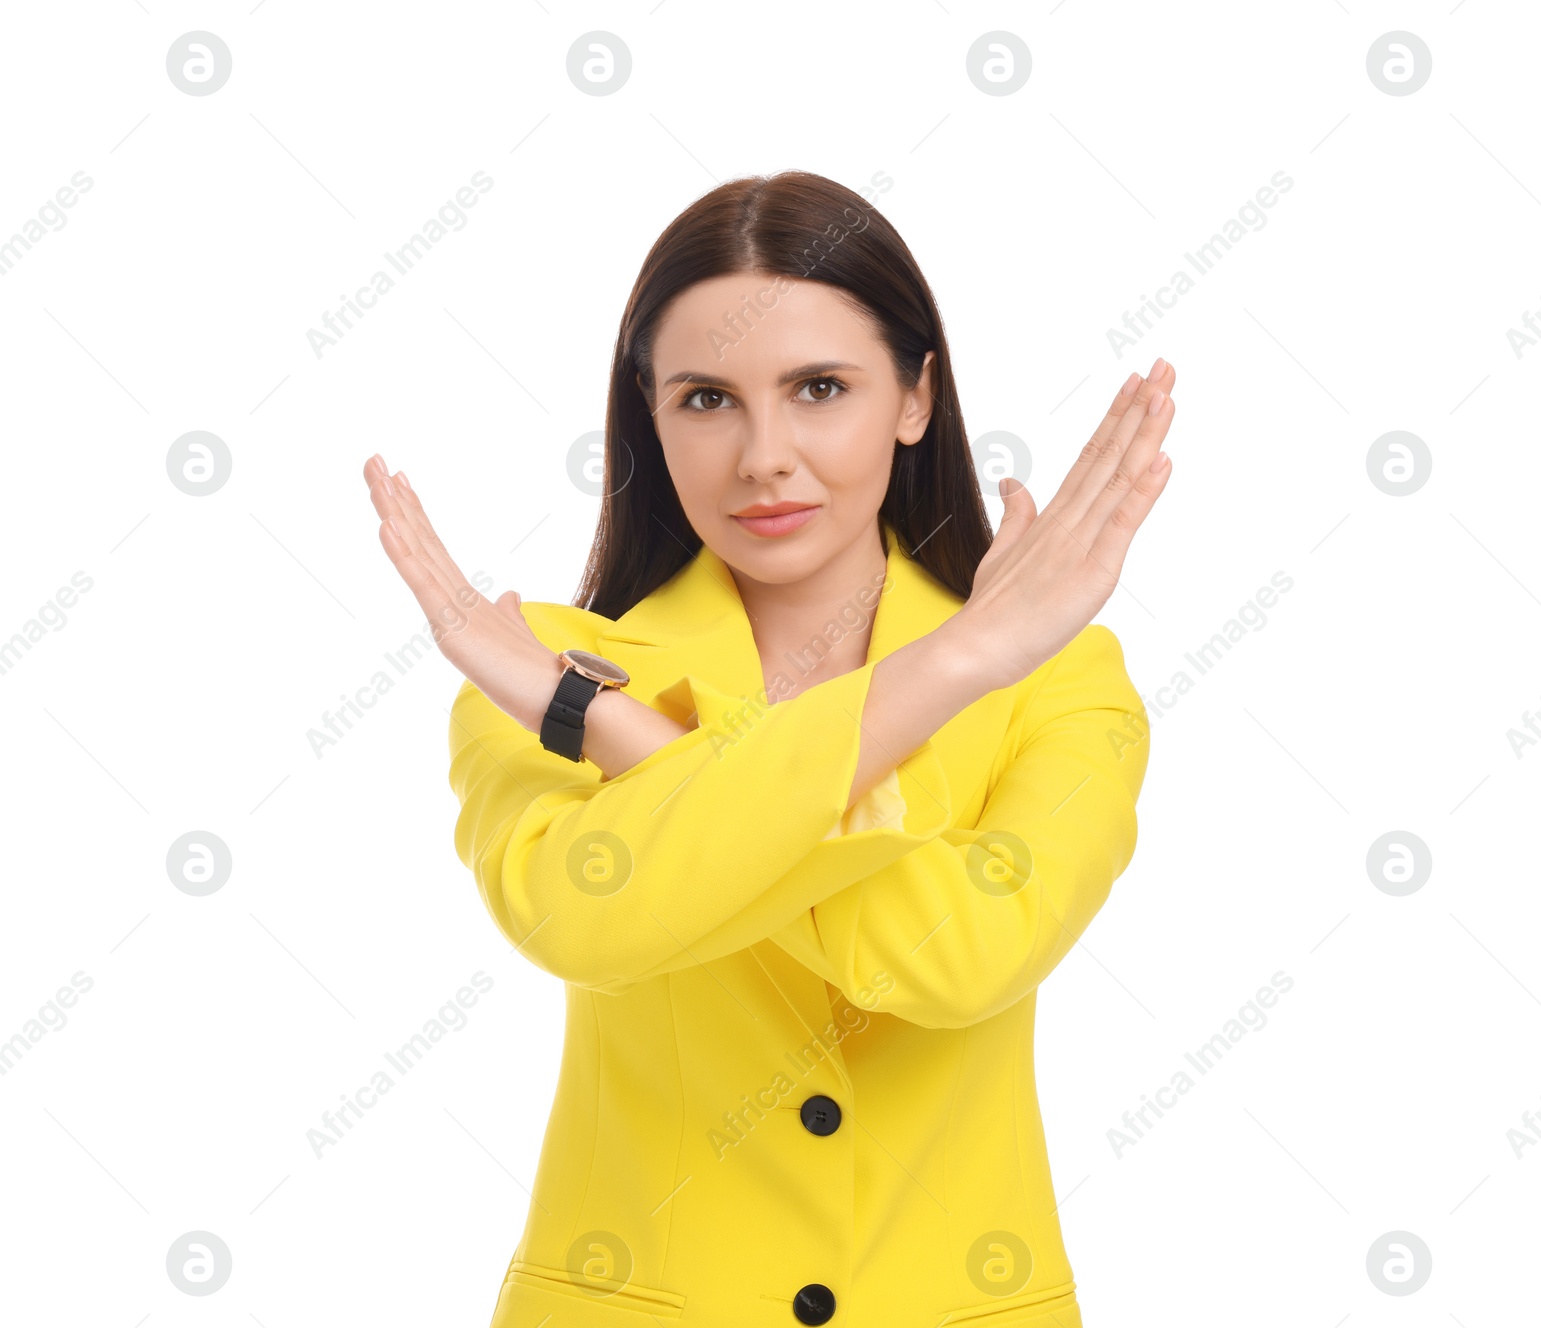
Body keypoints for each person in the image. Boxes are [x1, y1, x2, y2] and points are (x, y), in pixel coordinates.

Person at [365, 170, 1175, 1327]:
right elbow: (579, 914)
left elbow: (957, 963)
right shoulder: (540, 657)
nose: (764, 455)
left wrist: (634, 739)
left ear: (914, 397)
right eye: (705, 399)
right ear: (648, 414)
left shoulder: (1053, 677)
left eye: (820, 388)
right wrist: (939, 673)